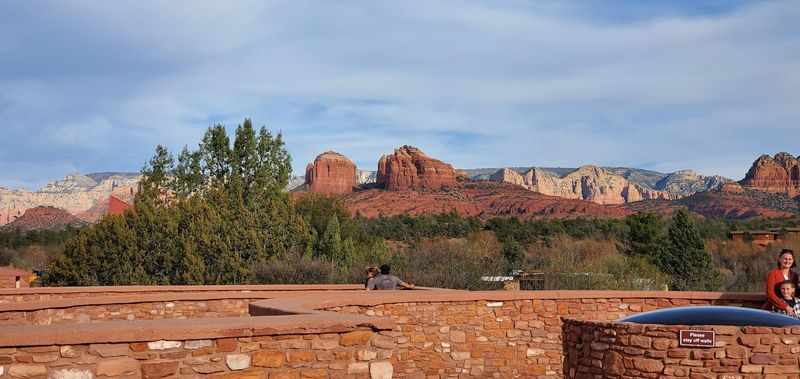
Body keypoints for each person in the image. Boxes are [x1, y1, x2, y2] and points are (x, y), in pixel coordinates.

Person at [765, 249, 798, 316]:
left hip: (793, 310)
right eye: (785, 259)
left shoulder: (795, 276)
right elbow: (770, 294)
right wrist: (785, 306)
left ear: (793, 260)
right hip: (775, 311)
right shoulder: (773, 273)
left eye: (790, 259)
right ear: (780, 259)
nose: (787, 261)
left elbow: (796, 294)